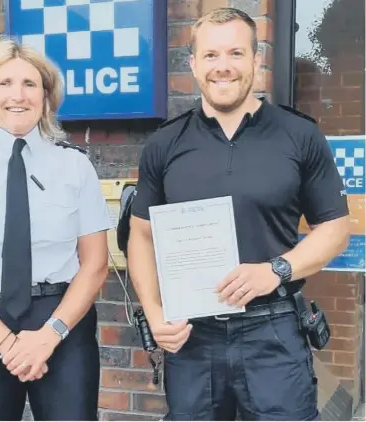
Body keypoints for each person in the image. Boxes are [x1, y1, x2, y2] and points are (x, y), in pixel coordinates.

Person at [127, 7, 350, 421]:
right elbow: (141, 235)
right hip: (192, 336)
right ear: (193, 64)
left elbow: (336, 228)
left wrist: (276, 269)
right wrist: (155, 314)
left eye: (235, 53)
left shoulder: (299, 134)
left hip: (274, 332)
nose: (223, 67)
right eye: (211, 56)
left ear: (256, 59)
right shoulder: (165, 144)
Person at [0, 38, 112, 421]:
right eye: (5, 83)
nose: (18, 95)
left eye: (30, 84)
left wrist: (48, 336)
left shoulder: (75, 166)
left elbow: (94, 265)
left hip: (60, 321)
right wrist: (7, 344)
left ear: (46, 96)